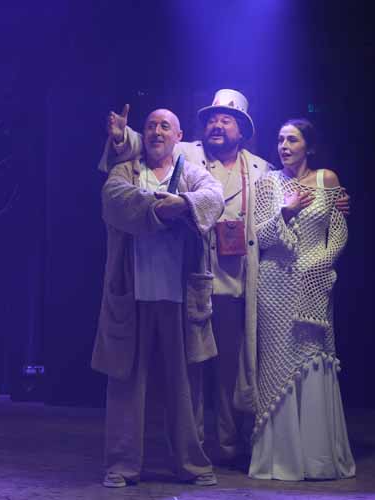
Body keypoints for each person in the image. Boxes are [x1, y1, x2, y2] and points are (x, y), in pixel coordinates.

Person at [99, 89, 271, 466]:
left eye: (226, 120)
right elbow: (145, 144)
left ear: (242, 130)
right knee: (164, 373)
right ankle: (162, 454)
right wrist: (122, 138)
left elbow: (269, 198)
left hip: (228, 279)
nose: (217, 125)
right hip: (183, 281)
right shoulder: (187, 153)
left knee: (225, 370)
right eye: (212, 119)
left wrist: (323, 197)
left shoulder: (257, 168)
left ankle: (224, 448)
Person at [91, 108, 224, 488]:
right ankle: (121, 465)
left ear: (178, 135)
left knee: (185, 386)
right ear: (142, 134)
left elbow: (213, 197)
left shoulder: (192, 172)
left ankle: (192, 465)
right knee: (126, 383)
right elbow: (114, 200)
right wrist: (162, 207)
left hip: (181, 296)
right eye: (150, 125)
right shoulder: (126, 171)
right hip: (132, 295)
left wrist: (184, 204)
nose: (157, 131)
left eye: (165, 126)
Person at [248, 118, 355, 481]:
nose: (284, 146)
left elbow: (338, 232)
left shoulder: (327, 179)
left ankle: (316, 458)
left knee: (313, 360)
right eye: (280, 140)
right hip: (274, 286)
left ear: (309, 146)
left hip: (314, 284)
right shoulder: (268, 184)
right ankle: (281, 458)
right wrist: (287, 210)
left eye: (292, 140)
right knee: (277, 363)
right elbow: (260, 237)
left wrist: (318, 265)